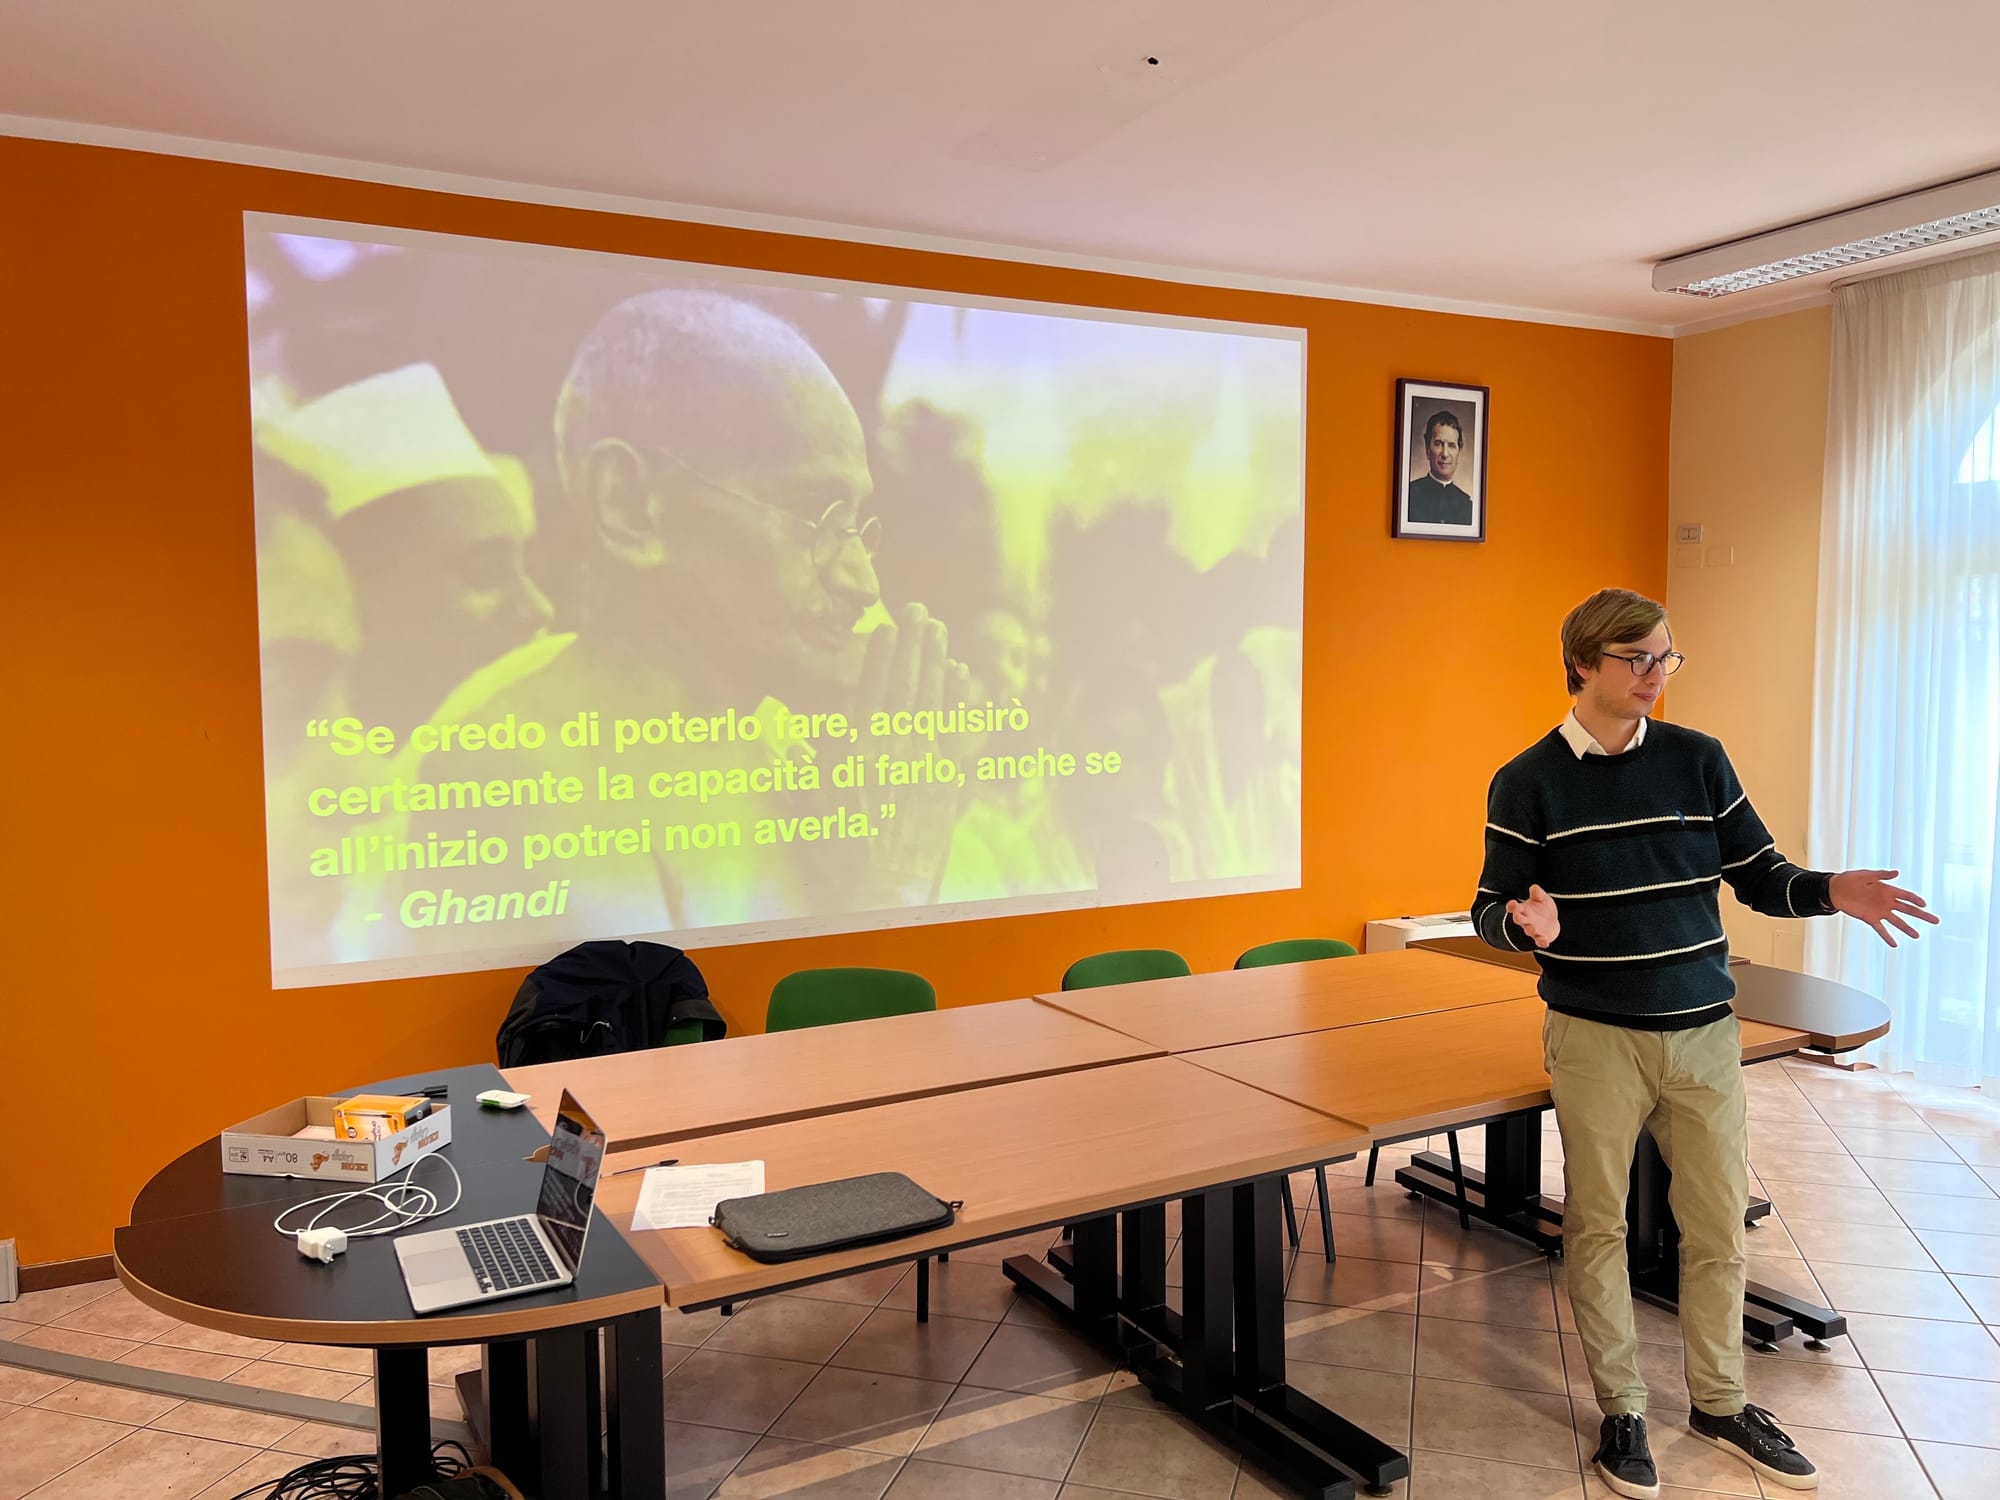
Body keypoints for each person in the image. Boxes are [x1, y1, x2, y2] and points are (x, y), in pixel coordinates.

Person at [1471, 588, 1936, 1499]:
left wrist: (1829, 888)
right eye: (1637, 658)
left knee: (1719, 1229)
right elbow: (1490, 906)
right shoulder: (1527, 780)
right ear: (1583, 665)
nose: (1655, 675)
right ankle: (1623, 1414)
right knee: (1597, 1229)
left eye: (1665, 658)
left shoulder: (1699, 760)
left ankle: (1721, 1405)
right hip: (1596, 1034)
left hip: (1704, 1033)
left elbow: (1762, 877)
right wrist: (1522, 924)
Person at [1405, 409, 1474, 525]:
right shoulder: (1409, 495)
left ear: (1459, 452)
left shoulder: (1466, 505)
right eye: (1438, 444)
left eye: (1451, 446)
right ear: (1427, 450)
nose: (1445, 454)